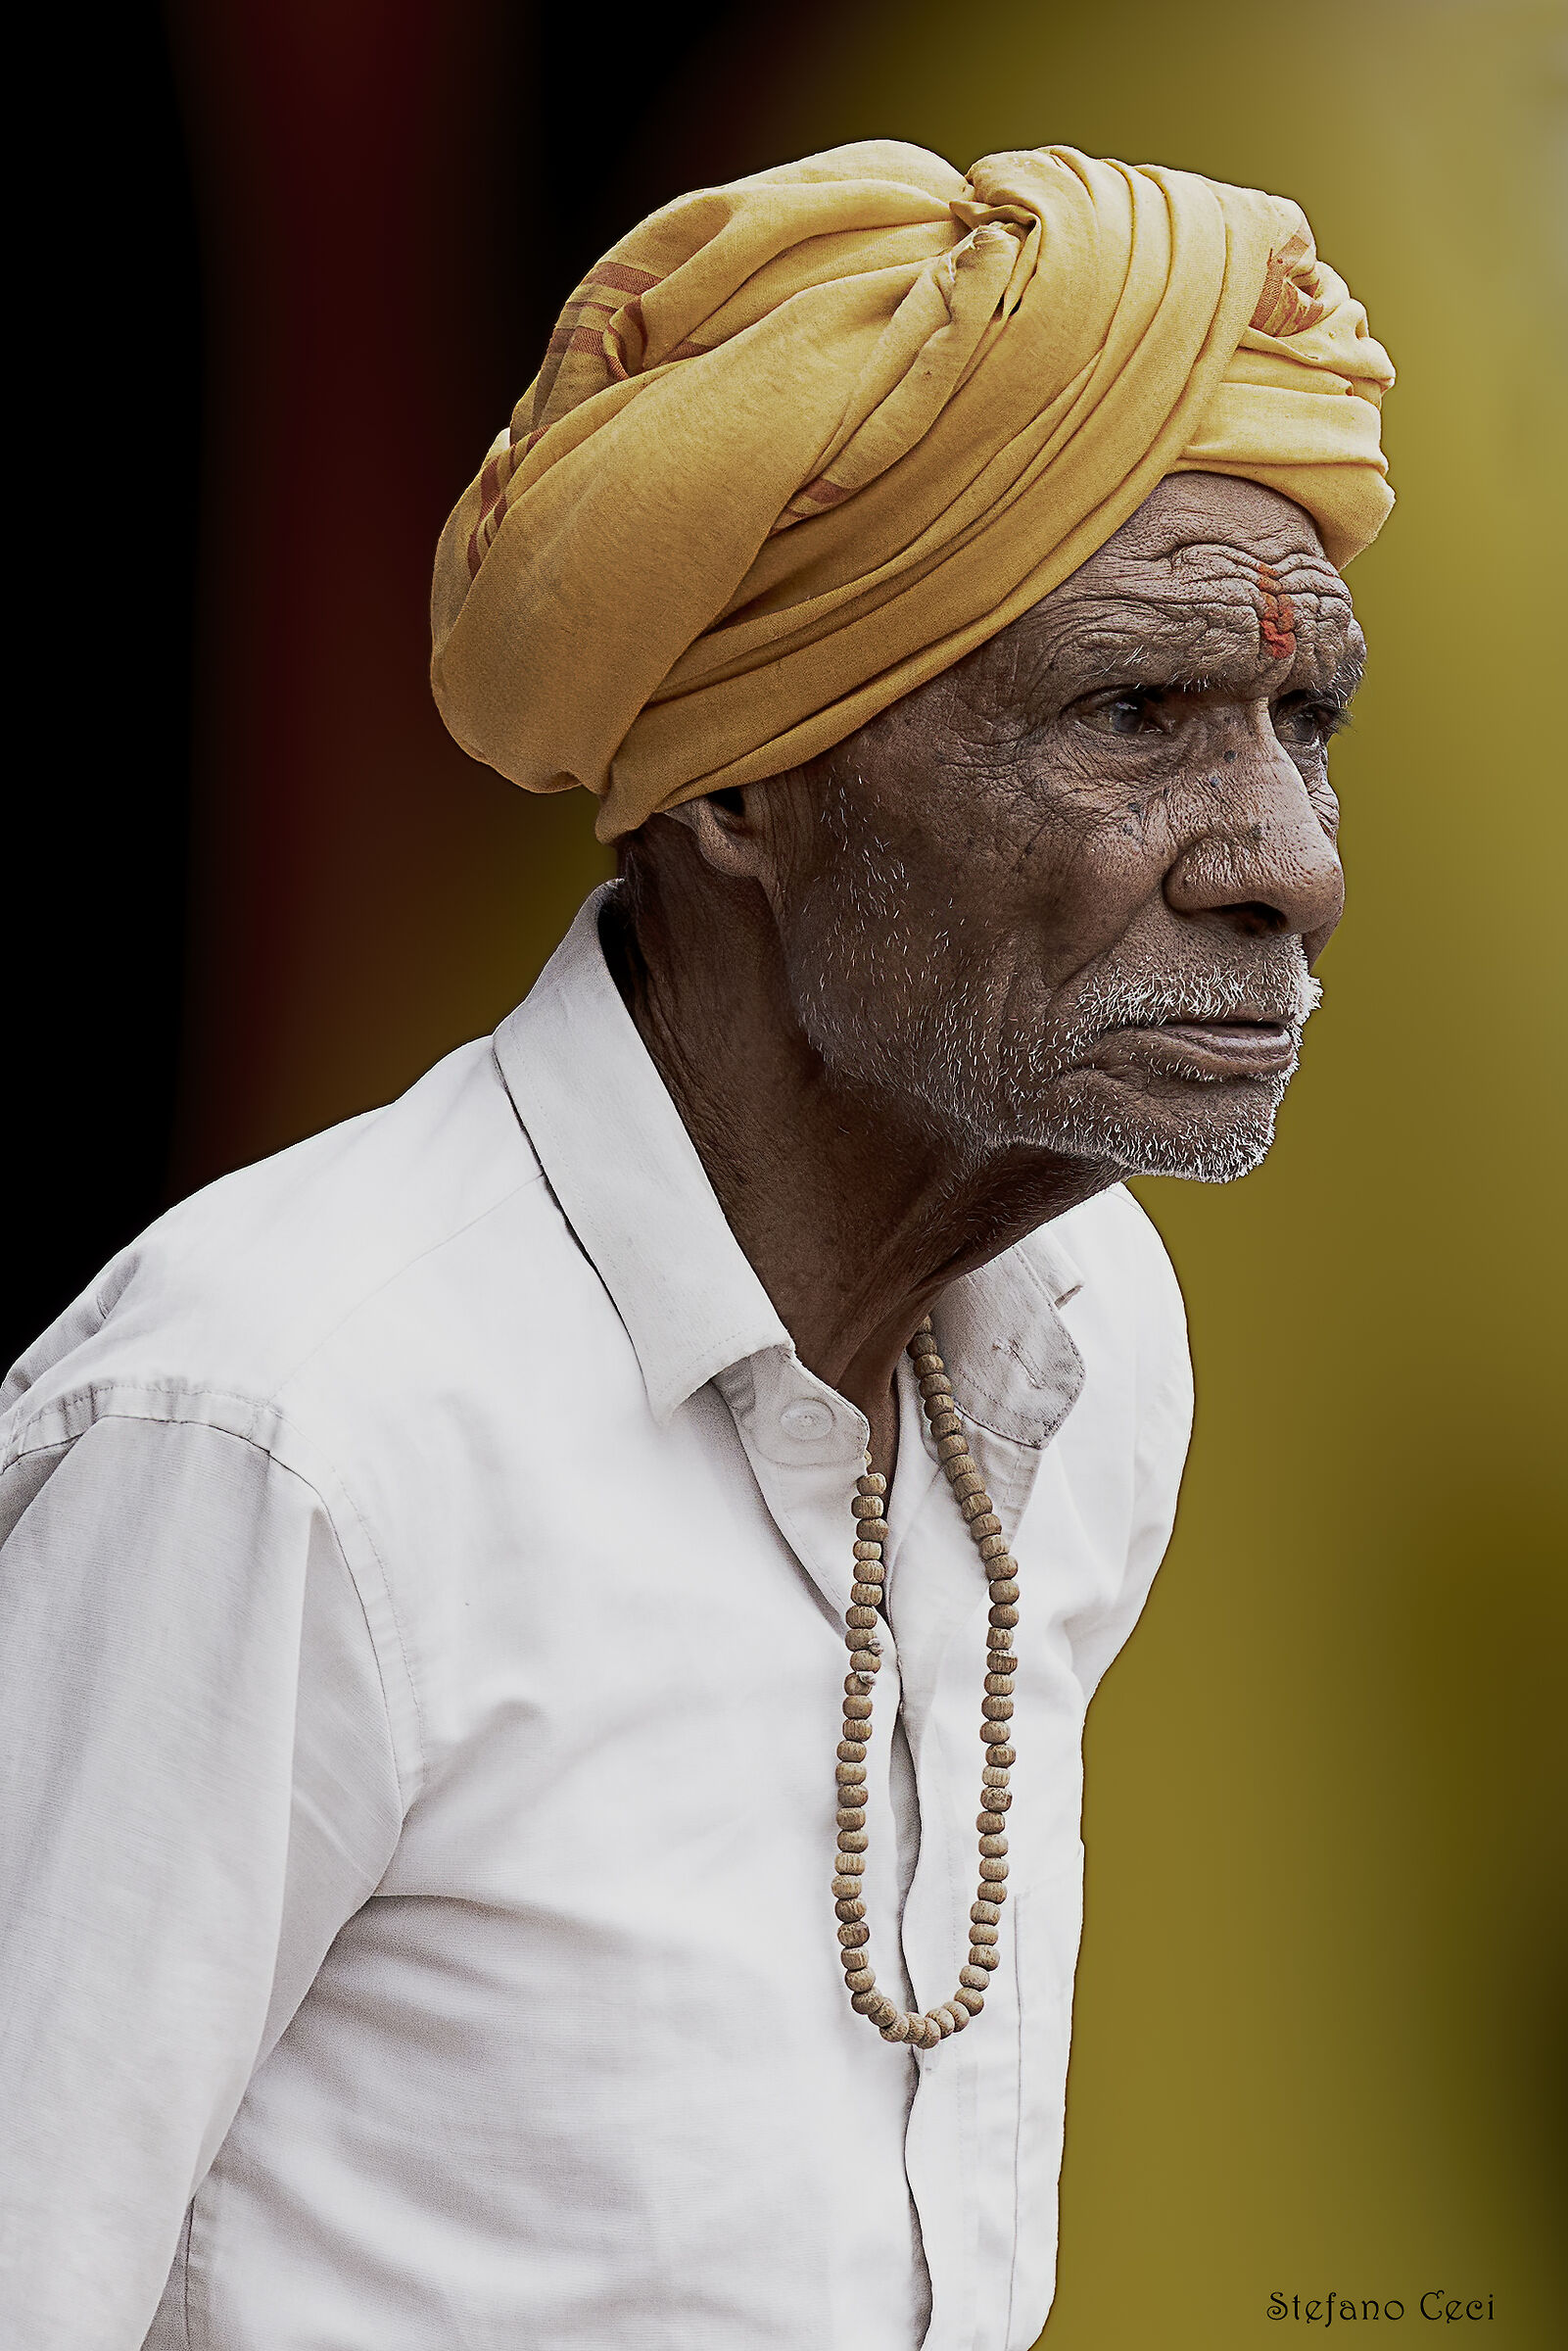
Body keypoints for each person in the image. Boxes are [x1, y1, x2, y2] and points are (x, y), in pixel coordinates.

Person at [0, 141, 1393, 2350]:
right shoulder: (278, 1429)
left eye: (1304, 723)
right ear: (745, 791)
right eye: (1136, 716)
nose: (1289, 867)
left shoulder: (1086, 1336)